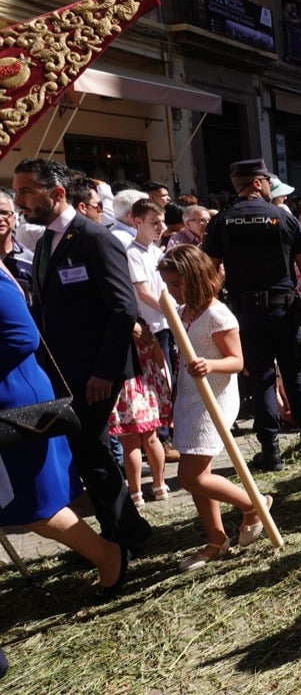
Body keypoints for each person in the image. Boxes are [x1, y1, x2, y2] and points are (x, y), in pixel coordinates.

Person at [16, 158, 151, 553]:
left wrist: (105, 371)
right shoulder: (44, 242)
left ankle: (124, 535)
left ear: (56, 194)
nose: (20, 200)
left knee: (91, 448)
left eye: (27, 191)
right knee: (87, 450)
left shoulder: (93, 237)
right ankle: (121, 531)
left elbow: (123, 308)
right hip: (64, 370)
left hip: (96, 370)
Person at [0, 263, 129, 601]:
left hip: (15, 405)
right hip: (12, 400)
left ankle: (107, 554)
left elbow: (23, 336)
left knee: (34, 505)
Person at [157, 245, 273, 570]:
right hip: (190, 396)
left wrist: (209, 364)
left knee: (191, 477)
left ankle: (253, 504)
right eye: (168, 285)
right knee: (200, 475)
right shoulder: (185, 311)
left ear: (195, 279)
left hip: (214, 398)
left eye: (176, 285)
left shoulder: (217, 314)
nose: (171, 291)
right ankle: (216, 540)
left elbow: (237, 361)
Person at [202, 158, 301, 471]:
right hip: (285, 308)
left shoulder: (222, 221)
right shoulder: (283, 218)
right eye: (267, 180)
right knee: (295, 371)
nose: (270, 185)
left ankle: (271, 450)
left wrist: (211, 306)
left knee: (262, 377)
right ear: (256, 182)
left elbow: (208, 270)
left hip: (246, 312)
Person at [113, 198, 174, 507]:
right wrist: (170, 307)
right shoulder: (133, 253)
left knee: (145, 435)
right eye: (154, 221)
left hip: (161, 327)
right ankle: (139, 491)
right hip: (146, 332)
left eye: (161, 221)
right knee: (137, 437)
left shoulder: (158, 251)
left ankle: (158, 487)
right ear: (137, 221)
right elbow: (143, 292)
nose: (160, 227)